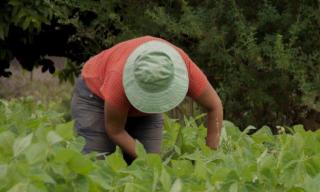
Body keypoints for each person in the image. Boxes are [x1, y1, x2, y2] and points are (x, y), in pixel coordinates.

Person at [70, 35, 223, 163]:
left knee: (148, 174)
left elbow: (214, 106)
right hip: (95, 96)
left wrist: (210, 156)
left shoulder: (181, 67)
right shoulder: (117, 79)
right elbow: (115, 130)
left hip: (139, 110)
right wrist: (148, 160)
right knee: (97, 161)